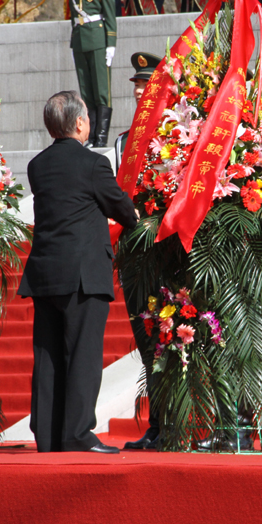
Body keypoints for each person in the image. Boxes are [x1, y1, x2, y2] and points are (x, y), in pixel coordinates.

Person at [17, 91, 138, 454]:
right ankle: (78, 435)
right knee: (83, 356)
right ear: (81, 123)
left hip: (46, 273)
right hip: (83, 274)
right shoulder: (92, 164)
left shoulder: (38, 165)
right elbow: (119, 207)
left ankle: (50, 436)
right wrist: (138, 219)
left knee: (49, 356)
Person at [115, 53, 163, 451]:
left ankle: (179, 423)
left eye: (146, 85)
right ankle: (158, 423)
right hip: (134, 253)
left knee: (170, 337)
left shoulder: (171, 134)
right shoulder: (124, 140)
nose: (138, 90)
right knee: (147, 342)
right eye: (136, 84)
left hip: (163, 252)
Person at [69, 0, 118, 148]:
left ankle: (101, 136)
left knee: (101, 90)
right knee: (86, 90)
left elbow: (109, 13)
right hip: (80, 38)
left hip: (98, 37)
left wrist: (111, 43)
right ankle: (89, 136)